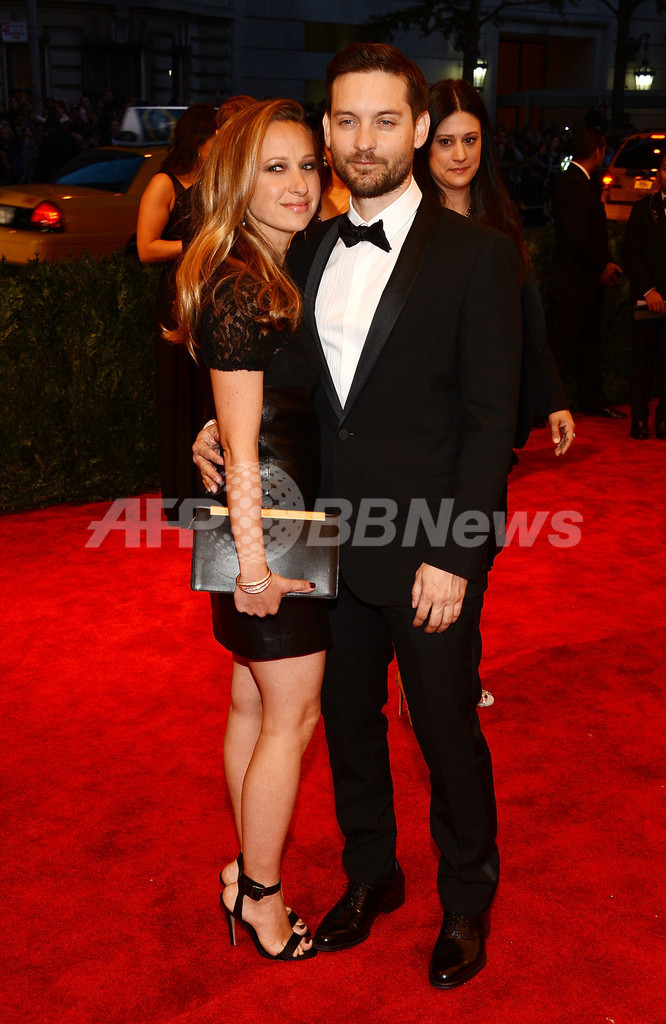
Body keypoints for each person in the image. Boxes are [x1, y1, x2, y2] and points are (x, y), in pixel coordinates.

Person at [195, 42, 523, 989]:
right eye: (346, 121)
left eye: (385, 120)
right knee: (346, 728)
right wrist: (214, 434)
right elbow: (270, 385)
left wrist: (457, 554)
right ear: (329, 130)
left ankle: (467, 896)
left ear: (419, 129)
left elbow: (489, 422)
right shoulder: (301, 247)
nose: (363, 140)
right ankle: (372, 875)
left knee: (445, 729)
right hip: (322, 550)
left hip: (428, 552)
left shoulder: (478, 256)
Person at [170, 98, 325, 961]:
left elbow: (244, 416)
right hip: (272, 526)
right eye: (275, 168)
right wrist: (257, 570)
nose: (298, 184)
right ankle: (262, 899)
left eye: (307, 165)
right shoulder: (242, 287)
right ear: (237, 178)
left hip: (271, 514)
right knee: (290, 720)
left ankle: (243, 872)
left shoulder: (265, 266)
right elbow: (237, 444)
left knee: (250, 704)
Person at [414, 78, 575, 709]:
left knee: (475, 552)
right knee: (425, 550)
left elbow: (528, 323)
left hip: (487, 425)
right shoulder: (408, 223)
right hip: (426, 422)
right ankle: (431, 678)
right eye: (446, 141)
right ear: (423, 144)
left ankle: (453, 671)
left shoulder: (499, 221)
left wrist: (553, 396)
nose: (459, 155)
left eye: (471, 140)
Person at [137, 102, 217, 524]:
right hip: (176, 296)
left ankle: (210, 491)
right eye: (216, 136)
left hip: (210, 292)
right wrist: (196, 247)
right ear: (198, 138)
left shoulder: (216, 181)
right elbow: (146, 248)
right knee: (177, 391)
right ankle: (181, 499)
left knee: (207, 390)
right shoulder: (163, 183)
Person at [547, 125, 626, 418]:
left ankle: (593, 400)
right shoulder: (573, 183)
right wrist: (602, 265)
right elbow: (576, 237)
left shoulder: (581, 182)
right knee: (559, 348)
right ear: (597, 151)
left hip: (584, 283)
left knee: (589, 346)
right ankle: (538, 409)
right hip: (572, 285)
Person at [621, 150, 666, 440]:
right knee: (642, 360)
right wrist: (649, 290)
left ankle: (664, 420)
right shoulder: (643, 209)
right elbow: (630, 254)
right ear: (659, 173)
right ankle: (639, 418)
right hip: (646, 299)